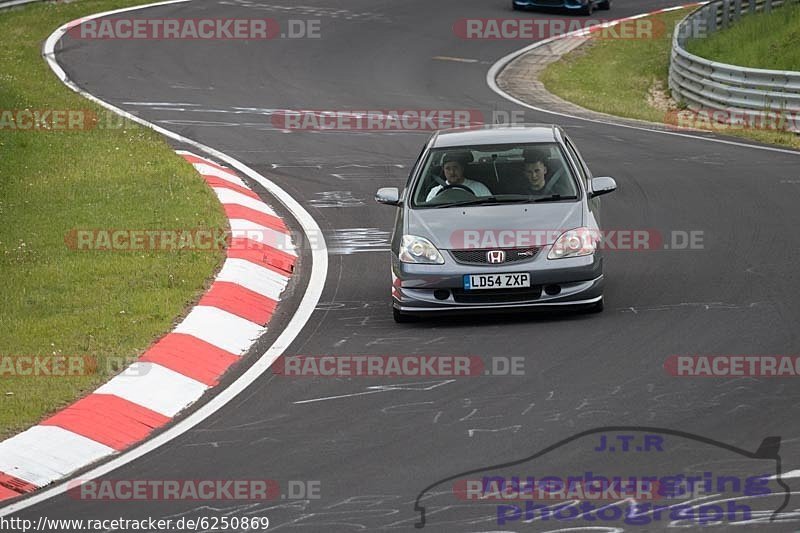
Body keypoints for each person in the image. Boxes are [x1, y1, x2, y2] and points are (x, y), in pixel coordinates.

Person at [426, 152, 492, 201]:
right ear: (443, 170)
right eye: (448, 169)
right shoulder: (435, 192)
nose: (452, 172)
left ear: (462, 168)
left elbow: (490, 208)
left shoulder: (479, 188)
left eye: (455, 167)